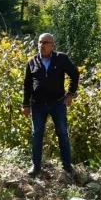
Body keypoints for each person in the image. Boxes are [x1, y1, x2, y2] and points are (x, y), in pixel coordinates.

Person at [22, 33, 79, 177]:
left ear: (52, 45)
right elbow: (27, 85)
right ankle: (35, 166)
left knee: (62, 133)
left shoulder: (61, 58)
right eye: (40, 42)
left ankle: (67, 166)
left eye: (46, 42)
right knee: (37, 135)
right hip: (38, 104)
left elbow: (74, 74)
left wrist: (71, 93)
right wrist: (25, 104)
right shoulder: (32, 61)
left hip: (58, 103)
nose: (42, 45)